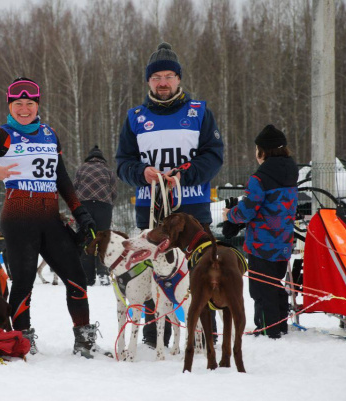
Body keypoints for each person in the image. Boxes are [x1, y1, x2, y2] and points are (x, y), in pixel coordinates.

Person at [0, 77, 108, 358]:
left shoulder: (50, 133)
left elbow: (61, 177)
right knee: (24, 282)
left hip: (50, 217)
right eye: (18, 104)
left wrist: (80, 211)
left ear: (37, 105)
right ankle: (23, 339)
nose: (24, 109)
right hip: (18, 218)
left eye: (29, 103)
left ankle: (84, 341)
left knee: (76, 277)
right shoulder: (1, 135)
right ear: (9, 106)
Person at [116, 42, 224, 348]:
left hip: (192, 208)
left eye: (168, 77)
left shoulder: (199, 112)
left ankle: (205, 335)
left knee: (201, 271)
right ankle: (154, 338)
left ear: (178, 79)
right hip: (151, 208)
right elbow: (123, 163)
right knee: (153, 272)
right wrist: (142, 173)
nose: (162, 83)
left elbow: (213, 156)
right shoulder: (135, 117)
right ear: (148, 82)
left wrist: (183, 174)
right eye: (156, 78)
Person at [223, 125, 298, 339]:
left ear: (263, 151)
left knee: (260, 288)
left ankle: (267, 330)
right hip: (284, 241)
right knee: (275, 283)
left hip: (261, 243)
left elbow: (247, 210)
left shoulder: (260, 178)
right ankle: (280, 326)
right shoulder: (291, 172)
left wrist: (230, 215)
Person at [73, 145, 118, 286]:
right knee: (103, 238)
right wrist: (107, 203)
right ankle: (103, 274)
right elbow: (114, 192)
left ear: (89, 157)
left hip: (83, 206)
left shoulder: (81, 169)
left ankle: (87, 277)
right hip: (103, 206)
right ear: (101, 158)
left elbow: (74, 188)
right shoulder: (108, 171)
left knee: (86, 237)